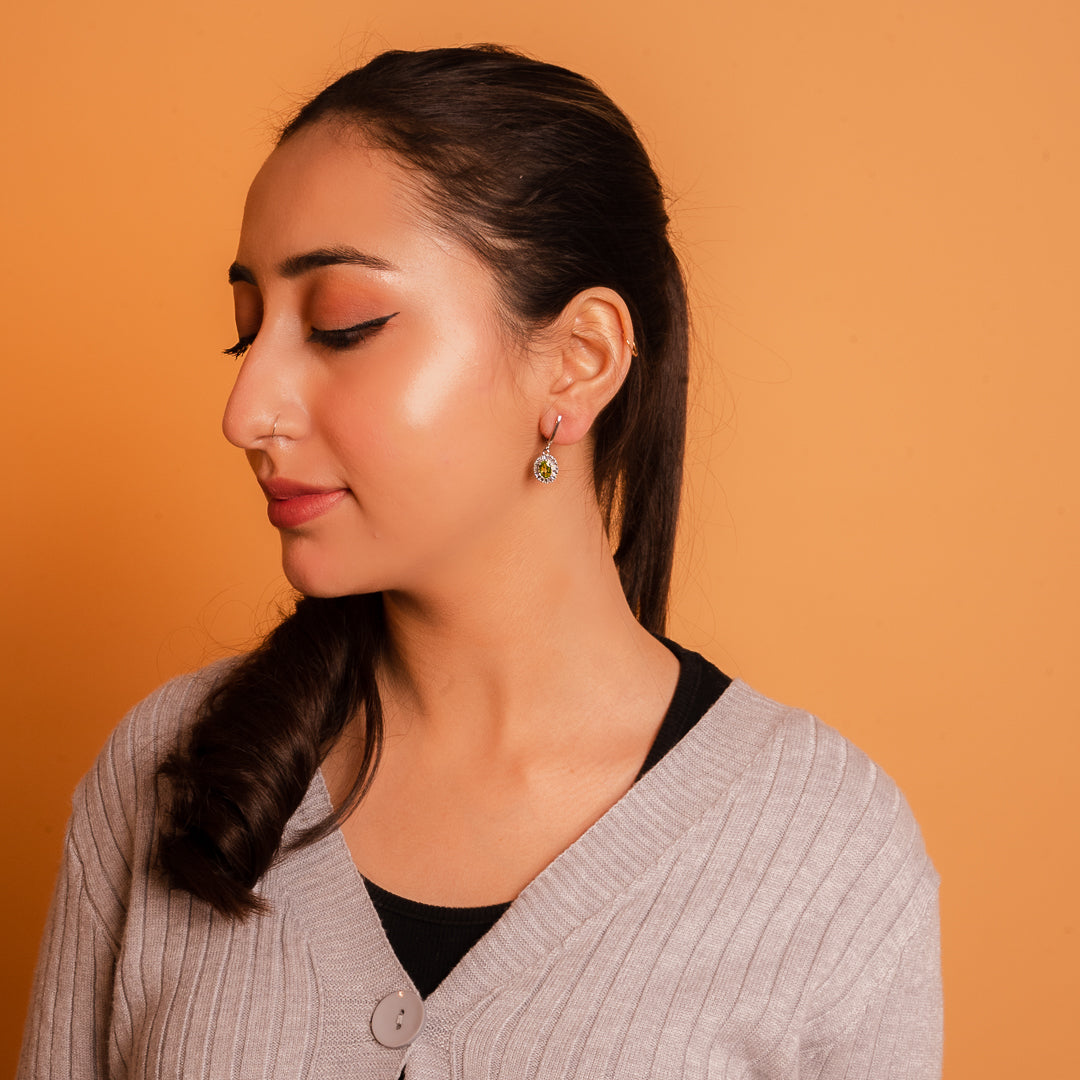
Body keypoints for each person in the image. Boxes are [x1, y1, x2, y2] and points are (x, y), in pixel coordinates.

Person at [18, 45, 941, 1079]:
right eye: (246, 335)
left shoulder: (823, 852)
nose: (245, 412)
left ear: (578, 360)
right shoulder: (163, 775)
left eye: (341, 326)